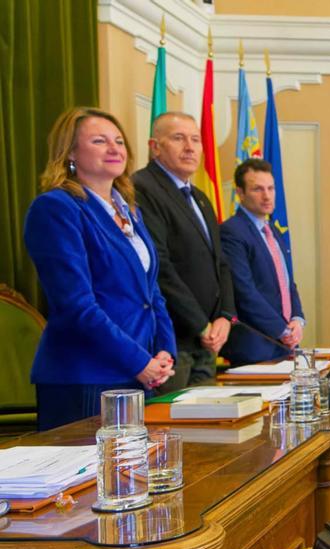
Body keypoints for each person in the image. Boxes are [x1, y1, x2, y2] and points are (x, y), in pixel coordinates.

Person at [23, 107, 176, 430]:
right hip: (85, 378)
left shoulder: (130, 210)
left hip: (140, 372)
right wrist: (140, 362)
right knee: (92, 479)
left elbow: (152, 293)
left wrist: (165, 352)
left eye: (119, 141)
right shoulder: (56, 208)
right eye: (99, 141)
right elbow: (75, 305)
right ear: (71, 153)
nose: (114, 148)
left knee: (131, 477)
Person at [133, 111, 235, 390]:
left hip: (208, 341)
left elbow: (220, 263)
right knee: (173, 430)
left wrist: (225, 316)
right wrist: (201, 325)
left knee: (205, 430)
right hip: (173, 341)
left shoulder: (200, 197)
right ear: (155, 146)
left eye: (195, 139)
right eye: (178, 138)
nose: (190, 147)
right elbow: (160, 266)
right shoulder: (142, 188)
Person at [219, 158, 304, 364]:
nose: (267, 196)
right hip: (255, 347)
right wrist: (282, 330)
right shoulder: (232, 231)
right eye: (257, 189)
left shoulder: (272, 230)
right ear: (240, 193)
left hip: (284, 343)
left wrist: (297, 319)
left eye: (271, 188)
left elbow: (286, 282)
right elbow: (244, 291)